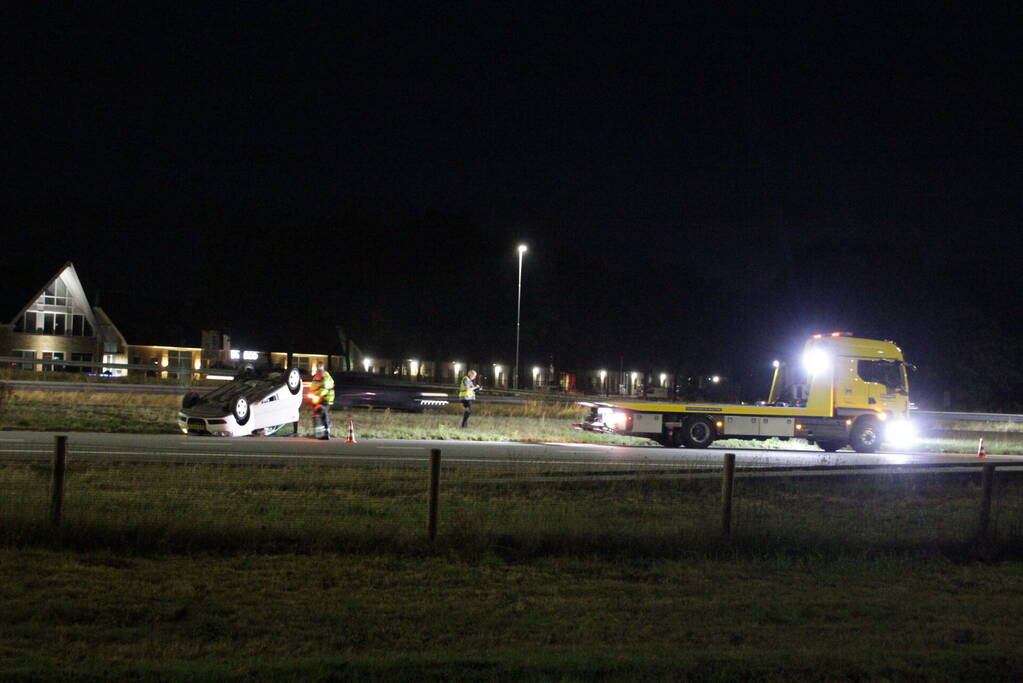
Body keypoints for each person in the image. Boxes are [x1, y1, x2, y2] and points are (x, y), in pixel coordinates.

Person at [311, 361, 335, 439]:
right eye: (318, 367)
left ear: (323, 367)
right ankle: (320, 433)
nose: (319, 369)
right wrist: (312, 392)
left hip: (327, 398)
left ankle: (326, 432)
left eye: (320, 367)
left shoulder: (326, 376)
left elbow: (325, 388)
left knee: (322, 412)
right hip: (318, 398)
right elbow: (313, 386)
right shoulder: (316, 376)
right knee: (317, 414)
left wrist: (316, 394)